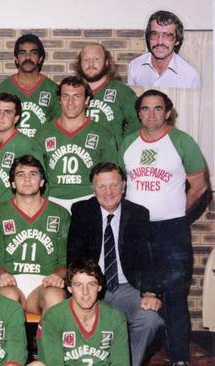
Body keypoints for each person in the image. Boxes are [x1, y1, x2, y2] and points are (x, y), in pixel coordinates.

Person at [121, 89, 208, 365]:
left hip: (170, 231)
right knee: (137, 290)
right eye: (145, 109)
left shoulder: (182, 141)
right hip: (136, 230)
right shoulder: (127, 143)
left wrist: (177, 214)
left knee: (173, 294)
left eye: (158, 108)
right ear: (138, 113)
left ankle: (179, 357)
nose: (151, 114)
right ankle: (136, 356)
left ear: (168, 111)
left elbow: (200, 185)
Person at [68, 162, 163, 366]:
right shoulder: (81, 211)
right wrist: (84, 289)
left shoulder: (138, 214)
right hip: (91, 286)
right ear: (94, 190)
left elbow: (148, 259)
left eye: (113, 185)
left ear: (124, 186)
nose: (108, 192)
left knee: (150, 320)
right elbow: (74, 257)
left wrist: (150, 293)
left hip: (126, 286)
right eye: (101, 186)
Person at [0, 155, 69, 315]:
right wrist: (2, 273)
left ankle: (44, 340)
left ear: (42, 181)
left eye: (33, 174)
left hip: (44, 283)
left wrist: (57, 275)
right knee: (8, 296)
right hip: (11, 282)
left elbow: (65, 261)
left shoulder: (60, 214)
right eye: (20, 174)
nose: (27, 179)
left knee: (55, 296)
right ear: (12, 183)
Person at [34, 76, 118, 212]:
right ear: (59, 99)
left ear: (87, 100)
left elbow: (111, 175)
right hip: (53, 200)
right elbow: (35, 172)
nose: (70, 102)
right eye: (66, 96)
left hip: (88, 199)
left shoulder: (103, 134)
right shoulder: (43, 133)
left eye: (77, 96)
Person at [36, 259, 129, 366]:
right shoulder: (54, 316)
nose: (85, 292)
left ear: (99, 287)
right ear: (70, 288)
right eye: (78, 285)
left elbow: (121, 363)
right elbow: (54, 363)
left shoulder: (115, 318)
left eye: (91, 285)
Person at [0, 34, 60, 138]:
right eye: (22, 53)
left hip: (41, 150)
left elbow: (60, 127)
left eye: (33, 53)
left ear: (40, 59)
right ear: (16, 59)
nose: (28, 57)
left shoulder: (52, 89)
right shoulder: (4, 88)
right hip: (13, 150)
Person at [0, 92, 42, 214]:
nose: (0, 116)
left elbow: (40, 183)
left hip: (14, 211)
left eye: (7, 112)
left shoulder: (26, 145)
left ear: (16, 118)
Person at [76, 43, 140, 144]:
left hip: (110, 158)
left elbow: (139, 120)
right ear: (80, 64)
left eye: (96, 59)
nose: (91, 63)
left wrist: (122, 145)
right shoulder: (71, 91)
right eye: (86, 59)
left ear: (106, 62)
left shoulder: (121, 91)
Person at [127, 10, 200, 89]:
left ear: (177, 41)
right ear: (148, 38)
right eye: (154, 34)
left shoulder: (190, 76)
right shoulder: (135, 66)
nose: (160, 42)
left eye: (168, 36)